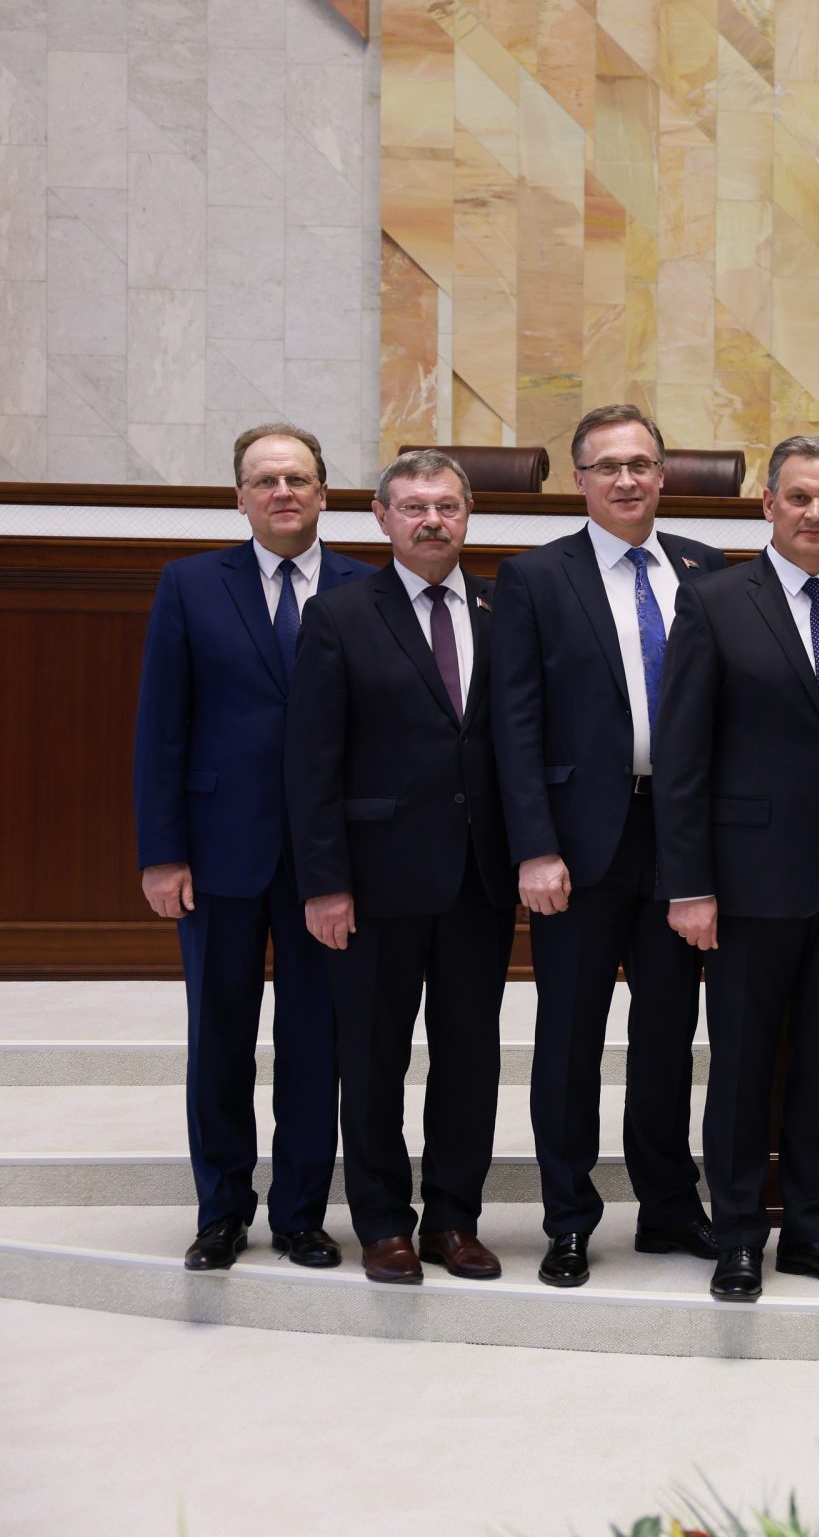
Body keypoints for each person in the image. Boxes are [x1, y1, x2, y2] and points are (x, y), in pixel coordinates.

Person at [653, 436, 819, 1302]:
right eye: (799, 497)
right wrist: (689, 883)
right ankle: (737, 1235)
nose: (814, 513)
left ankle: (812, 1229)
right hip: (744, 884)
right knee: (741, 1067)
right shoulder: (714, 601)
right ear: (767, 504)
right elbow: (682, 756)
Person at [491, 404, 728, 1288]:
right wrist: (534, 846)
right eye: (607, 467)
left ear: (663, 474)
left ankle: (668, 1206)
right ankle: (568, 1217)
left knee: (668, 1034)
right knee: (570, 1038)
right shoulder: (534, 577)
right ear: (579, 481)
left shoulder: (707, 570)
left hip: (681, 838)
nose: (626, 480)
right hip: (578, 845)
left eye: (641, 464)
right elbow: (514, 723)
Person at [133, 423, 368, 1272]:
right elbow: (162, 726)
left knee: (315, 1043)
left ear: (324, 493)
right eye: (265, 480)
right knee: (220, 1039)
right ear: (240, 497)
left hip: (328, 862)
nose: (282, 492)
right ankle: (222, 1210)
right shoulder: (190, 584)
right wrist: (161, 852)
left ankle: (302, 1213)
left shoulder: (367, 588)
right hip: (219, 852)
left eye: (297, 478)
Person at [285, 449, 514, 1285]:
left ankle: (455, 1218)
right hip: (374, 880)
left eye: (446, 507)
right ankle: (383, 1223)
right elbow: (311, 762)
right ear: (382, 519)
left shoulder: (502, 609)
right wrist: (324, 883)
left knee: (470, 1057)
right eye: (414, 507)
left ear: (468, 515)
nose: (431, 521)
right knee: (375, 1059)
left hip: (478, 879)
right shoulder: (340, 615)